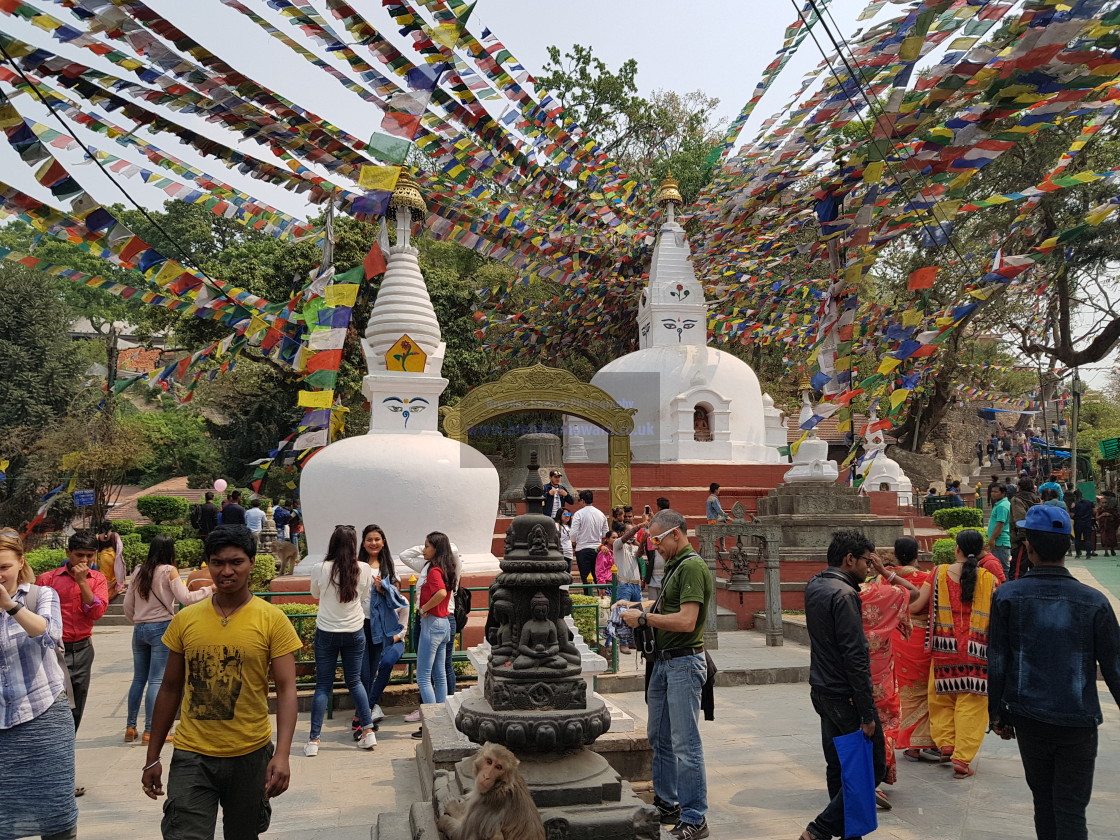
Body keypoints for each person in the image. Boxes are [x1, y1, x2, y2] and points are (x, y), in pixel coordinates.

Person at [141, 525, 301, 838]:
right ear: (208, 565)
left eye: (236, 562)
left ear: (252, 563)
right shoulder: (186, 619)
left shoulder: (272, 619)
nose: (226, 571)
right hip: (192, 755)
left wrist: (281, 755)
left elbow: (286, 690)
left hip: (251, 754)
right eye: (217, 562)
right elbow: (170, 688)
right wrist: (152, 758)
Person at [988, 504, 1120, 840]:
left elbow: (998, 660)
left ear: (1028, 547)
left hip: (1029, 718)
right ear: (1068, 547)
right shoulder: (1094, 602)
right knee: (1071, 810)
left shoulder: (1007, 596)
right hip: (1078, 721)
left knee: (1043, 804)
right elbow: (1114, 667)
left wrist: (997, 714)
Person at [621, 509, 711, 839]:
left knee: (685, 744)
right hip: (663, 662)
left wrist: (644, 620)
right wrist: (637, 609)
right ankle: (667, 803)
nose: (653, 546)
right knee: (659, 738)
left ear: (676, 534)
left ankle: (695, 815)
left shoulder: (691, 566)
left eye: (657, 540)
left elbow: (687, 621)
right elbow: (665, 609)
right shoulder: (674, 565)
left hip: (684, 664)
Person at [801, 530, 886, 840]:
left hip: (821, 688)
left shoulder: (815, 585)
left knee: (838, 765)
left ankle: (851, 834)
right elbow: (855, 656)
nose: (869, 567)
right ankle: (819, 830)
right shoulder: (845, 594)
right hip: (844, 695)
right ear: (849, 559)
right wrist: (866, 712)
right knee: (871, 769)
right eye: (867, 561)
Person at [0, 528, 78, 840]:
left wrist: (10, 606)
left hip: (42, 714)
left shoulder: (41, 595)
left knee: (55, 813)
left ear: (21, 563)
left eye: (4, 567)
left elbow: (50, 636)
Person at [123, 536, 213, 744]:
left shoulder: (139, 570)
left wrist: (137, 620)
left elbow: (128, 603)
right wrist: (209, 589)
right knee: (156, 680)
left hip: (139, 628)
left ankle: (130, 727)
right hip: (161, 627)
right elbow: (186, 598)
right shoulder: (168, 571)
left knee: (139, 679)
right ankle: (150, 731)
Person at [926, 529, 999, 778]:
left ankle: (946, 743)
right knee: (973, 704)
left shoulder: (939, 573)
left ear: (956, 548)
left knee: (942, 697)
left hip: (945, 646)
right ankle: (962, 759)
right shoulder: (989, 578)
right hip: (977, 650)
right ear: (981, 551)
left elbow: (921, 603)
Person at [305, 525, 376, 755]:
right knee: (354, 681)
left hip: (326, 630)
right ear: (355, 544)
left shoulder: (320, 568)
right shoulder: (364, 568)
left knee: (323, 685)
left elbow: (315, 594)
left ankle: (314, 741)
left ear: (332, 542)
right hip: (355, 630)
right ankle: (368, 731)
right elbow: (364, 595)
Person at [859, 550, 921, 808]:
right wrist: (885, 573)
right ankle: (872, 781)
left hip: (853, 671)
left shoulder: (849, 593)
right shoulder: (884, 593)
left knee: (856, 726)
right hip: (881, 673)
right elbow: (914, 593)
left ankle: (860, 780)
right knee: (884, 724)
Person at [35, 530, 107, 737]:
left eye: (89, 556)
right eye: (79, 555)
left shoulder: (97, 580)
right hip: (53, 649)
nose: (84, 560)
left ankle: (67, 742)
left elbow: (97, 612)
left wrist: (82, 582)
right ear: (68, 552)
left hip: (82, 648)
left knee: (77, 700)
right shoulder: (47, 579)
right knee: (53, 700)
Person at [890, 537, 939, 763]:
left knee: (906, 689)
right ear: (916, 554)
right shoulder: (925, 578)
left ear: (895, 554)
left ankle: (910, 744)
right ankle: (923, 741)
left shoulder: (884, 579)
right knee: (925, 691)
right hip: (921, 639)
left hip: (898, 638)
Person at [407, 532, 457, 739]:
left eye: (426, 546)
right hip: (444, 624)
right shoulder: (446, 568)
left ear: (436, 549)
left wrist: (424, 608)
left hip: (432, 623)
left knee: (423, 677)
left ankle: (433, 720)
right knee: (439, 674)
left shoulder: (434, 570)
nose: (423, 550)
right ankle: (441, 716)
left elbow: (441, 593)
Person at [352, 524, 398, 737]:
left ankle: (362, 717)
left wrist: (383, 589)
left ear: (384, 541)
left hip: (378, 625)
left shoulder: (388, 567)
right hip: (358, 622)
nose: (373, 543)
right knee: (361, 673)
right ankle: (363, 716)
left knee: (371, 670)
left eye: (377, 539)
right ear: (363, 543)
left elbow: (397, 600)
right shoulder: (357, 566)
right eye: (369, 539)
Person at [570, 490, 608, 585]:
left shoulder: (579, 514)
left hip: (582, 549)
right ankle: (602, 598)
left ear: (582, 500)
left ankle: (588, 598)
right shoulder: (600, 514)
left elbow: (573, 533)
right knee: (598, 577)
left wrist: (574, 542)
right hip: (597, 548)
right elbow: (605, 534)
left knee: (586, 578)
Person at [1010, 478, 1042, 579]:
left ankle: (1015, 593)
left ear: (1019, 487)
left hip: (1022, 542)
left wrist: (1024, 539)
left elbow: (1021, 520)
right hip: (1036, 539)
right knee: (1036, 572)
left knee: (1017, 572)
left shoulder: (1017, 499)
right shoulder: (1037, 499)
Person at [643, 497, 672, 600]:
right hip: (655, 570)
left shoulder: (663, 523)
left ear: (658, 507)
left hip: (664, 569)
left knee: (656, 603)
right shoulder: (673, 520)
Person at [94, 521, 126, 597]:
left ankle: (105, 590)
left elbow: (96, 549)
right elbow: (119, 546)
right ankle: (114, 590)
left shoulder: (98, 536)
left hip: (103, 557)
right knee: (115, 574)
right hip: (113, 556)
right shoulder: (115, 535)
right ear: (111, 527)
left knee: (105, 576)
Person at [988, 483, 1012, 574]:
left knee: (1002, 569)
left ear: (1003, 493)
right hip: (999, 541)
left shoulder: (1002, 506)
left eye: (996, 492)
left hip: (1000, 541)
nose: (993, 494)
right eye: (992, 491)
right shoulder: (1000, 504)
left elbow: (1000, 524)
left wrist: (992, 539)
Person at [1069, 491, 1096, 558]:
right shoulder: (1089, 502)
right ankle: (1088, 554)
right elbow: (1095, 511)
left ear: (1075, 496)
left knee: (1077, 539)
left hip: (1078, 523)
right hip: (1087, 522)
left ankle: (1078, 553)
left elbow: (1072, 515)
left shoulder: (1074, 504)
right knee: (1087, 538)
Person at [1097, 490, 1119, 557]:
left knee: (1112, 538)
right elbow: (1097, 518)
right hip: (1103, 526)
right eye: (1103, 503)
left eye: (1105, 503)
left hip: (1110, 526)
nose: (1104, 504)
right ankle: (1106, 551)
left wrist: (1110, 515)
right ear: (1100, 503)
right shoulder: (1099, 510)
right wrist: (1102, 515)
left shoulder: (1111, 509)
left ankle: (1112, 549)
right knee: (1104, 538)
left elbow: (1116, 517)